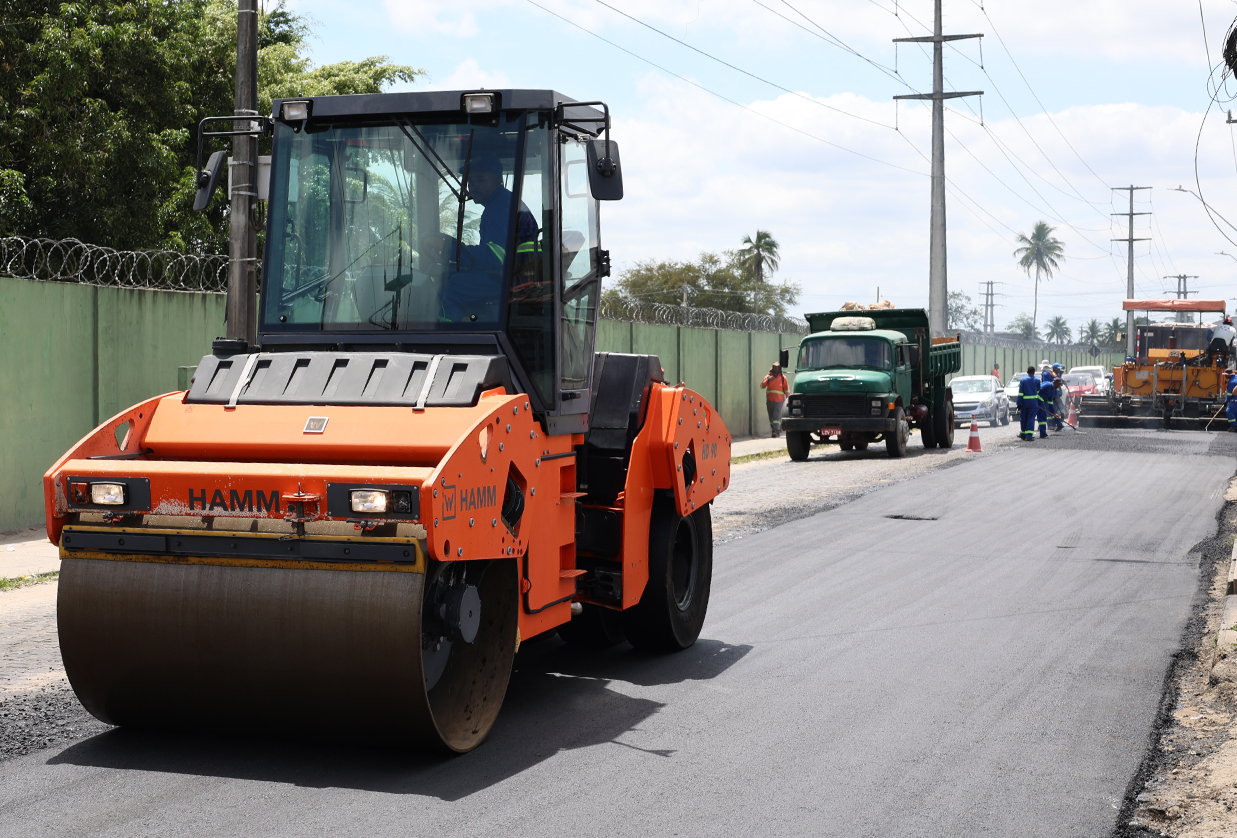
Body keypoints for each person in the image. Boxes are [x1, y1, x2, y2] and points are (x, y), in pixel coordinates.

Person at [761, 363, 789, 438]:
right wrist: (768, 380)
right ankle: (776, 430)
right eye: (775, 367)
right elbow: (762, 386)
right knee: (771, 417)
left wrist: (788, 399)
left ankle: (775, 431)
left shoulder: (783, 378)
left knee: (776, 416)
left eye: (777, 367)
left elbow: (786, 389)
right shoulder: (768, 377)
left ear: (779, 369)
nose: (776, 369)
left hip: (779, 401)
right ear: (772, 368)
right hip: (770, 401)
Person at [1017, 366, 1041, 440]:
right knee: (1031, 419)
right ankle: (1029, 435)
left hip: (1024, 403)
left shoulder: (1023, 380)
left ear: (1027, 372)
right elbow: (1038, 391)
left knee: (1023, 419)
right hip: (1033, 403)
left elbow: (1020, 393)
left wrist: (1018, 403)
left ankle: (1023, 434)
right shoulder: (1037, 380)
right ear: (1034, 372)